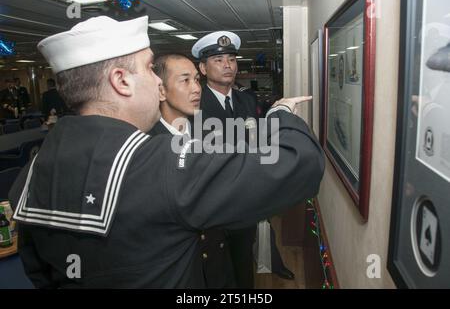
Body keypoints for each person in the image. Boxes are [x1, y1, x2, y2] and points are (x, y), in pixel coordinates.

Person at [9, 16, 324, 288]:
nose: (159, 83)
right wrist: (280, 114)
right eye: (149, 68)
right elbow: (303, 165)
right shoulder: (160, 164)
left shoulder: (30, 174)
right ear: (121, 81)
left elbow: (40, 272)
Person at [192, 31, 296, 287]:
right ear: (203, 68)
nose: (228, 65)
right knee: (214, 272)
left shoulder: (246, 100)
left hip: (245, 202)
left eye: (231, 59)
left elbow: (256, 143)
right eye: (218, 60)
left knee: (243, 266)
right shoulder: (193, 105)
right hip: (211, 207)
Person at [150, 53, 235, 288]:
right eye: (185, 80)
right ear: (161, 90)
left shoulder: (211, 130)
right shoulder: (146, 144)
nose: (196, 88)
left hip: (217, 251)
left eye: (197, 80)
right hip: (178, 264)